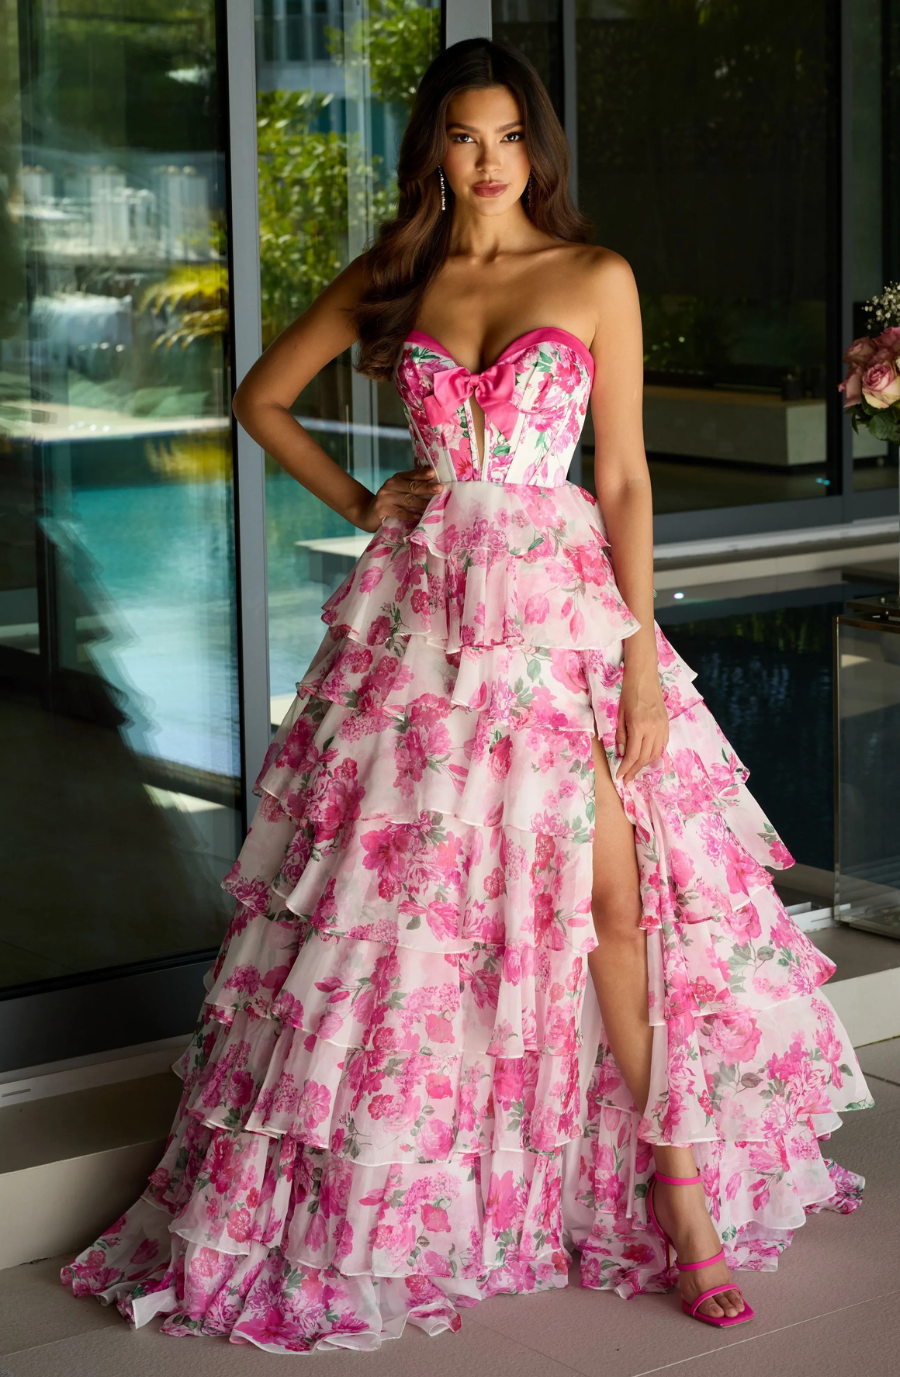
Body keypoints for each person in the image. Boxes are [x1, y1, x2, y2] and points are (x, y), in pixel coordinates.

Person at [61, 37, 871, 1354]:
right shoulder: (399, 274)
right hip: (427, 634)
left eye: (506, 137)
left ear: (535, 148)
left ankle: (681, 1202)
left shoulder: (595, 273)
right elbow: (263, 399)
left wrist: (634, 656)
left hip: (561, 620)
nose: (487, 161)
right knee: (420, 914)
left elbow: (623, 483)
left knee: (618, 905)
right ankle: (417, 1190)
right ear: (432, 146)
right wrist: (366, 502)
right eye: (461, 137)